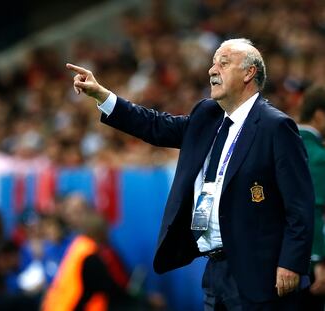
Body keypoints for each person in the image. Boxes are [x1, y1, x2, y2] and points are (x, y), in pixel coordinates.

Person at [66, 38, 315, 310]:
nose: (212, 70)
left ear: (249, 73)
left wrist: (291, 262)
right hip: (215, 271)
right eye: (212, 62)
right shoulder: (206, 115)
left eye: (223, 63)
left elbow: (300, 204)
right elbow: (154, 126)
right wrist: (103, 96)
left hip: (260, 272)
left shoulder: (275, 126)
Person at [298, 86, 325, 310]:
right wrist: (317, 260)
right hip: (309, 263)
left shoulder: (283, 142)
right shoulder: (317, 155)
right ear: (319, 115)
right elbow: (314, 209)